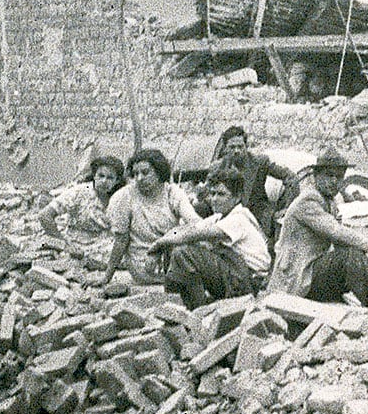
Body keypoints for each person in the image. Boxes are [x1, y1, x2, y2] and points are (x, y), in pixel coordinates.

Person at [267, 147, 368, 317]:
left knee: (360, 254)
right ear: (316, 176)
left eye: (339, 177)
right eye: (329, 175)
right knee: (350, 256)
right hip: (296, 281)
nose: (334, 181)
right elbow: (335, 231)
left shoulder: (329, 202)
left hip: (310, 275)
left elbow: (340, 241)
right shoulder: (308, 200)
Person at [150, 168, 269, 309]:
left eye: (221, 194)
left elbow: (195, 234)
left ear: (236, 197)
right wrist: (161, 245)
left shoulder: (239, 218)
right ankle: (175, 306)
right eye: (212, 193)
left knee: (184, 253)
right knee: (176, 249)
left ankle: (196, 311)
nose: (214, 199)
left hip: (248, 281)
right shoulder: (220, 217)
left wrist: (159, 243)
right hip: (234, 275)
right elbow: (186, 229)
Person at [103, 148, 201, 286]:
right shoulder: (124, 196)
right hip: (144, 262)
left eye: (145, 172)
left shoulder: (172, 193)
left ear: (159, 172)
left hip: (169, 251)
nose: (139, 178)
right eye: (136, 173)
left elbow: (195, 222)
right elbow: (121, 240)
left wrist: (165, 241)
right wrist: (107, 277)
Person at [205, 125, 297, 242]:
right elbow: (207, 191)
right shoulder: (217, 167)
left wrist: (287, 207)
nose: (237, 151)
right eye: (232, 147)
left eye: (240, 147)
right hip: (227, 211)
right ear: (225, 149)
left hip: (256, 210)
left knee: (264, 232)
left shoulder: (259, 162)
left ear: (246, 146)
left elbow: (291, 177)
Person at [38, 155, 124, 239]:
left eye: (110, 178)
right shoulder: (79, 191)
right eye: (101, 176)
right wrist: (63, 243)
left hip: (105, 246)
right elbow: (45, 215)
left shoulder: (120, 197)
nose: (104, 181)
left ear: (117, 180)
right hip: (76, 243)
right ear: (94, 176)